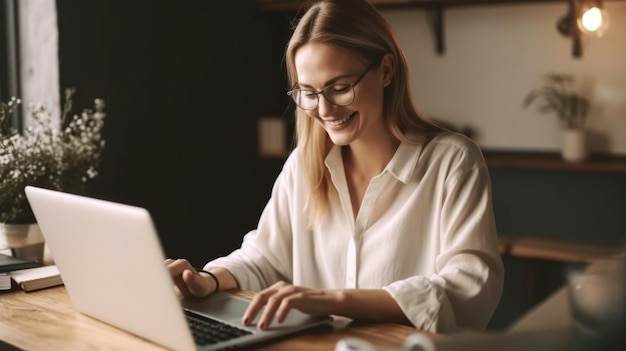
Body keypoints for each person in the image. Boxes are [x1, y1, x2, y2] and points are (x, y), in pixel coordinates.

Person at [166, 0, 504, 333]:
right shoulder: (303, 166)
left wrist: (335, 300)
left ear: (386, 70)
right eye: (309, 93)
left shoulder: (452, 162)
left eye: (340, 88)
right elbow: (264, 259)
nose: (324, 109)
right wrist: (207, 279)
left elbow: (469, 287)